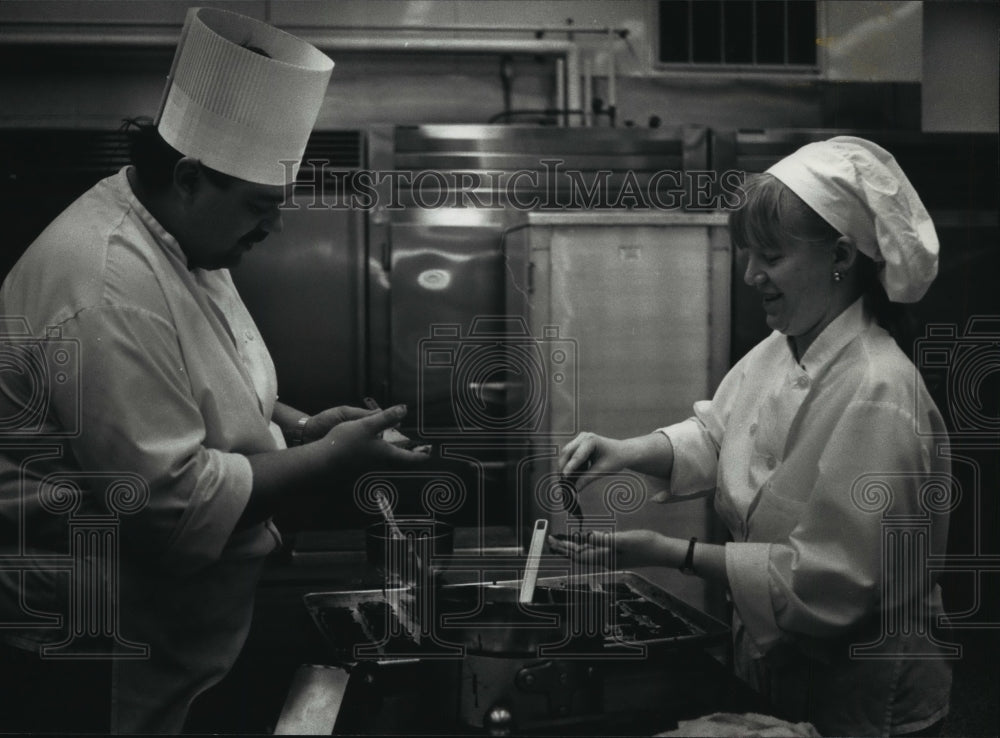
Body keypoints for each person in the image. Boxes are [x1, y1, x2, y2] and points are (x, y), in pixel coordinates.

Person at [0, 8, 428, 733]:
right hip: (98, 642)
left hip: (178, 625)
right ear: (192, 178)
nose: (275, 226)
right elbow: (169, 505)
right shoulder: (106, 284)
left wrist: (296, 425)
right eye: (261, 205)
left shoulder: (185, 238)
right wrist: (327, 459)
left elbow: (210, 376)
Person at [550, 137, 953, 737]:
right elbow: (720, 436)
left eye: (770, 256)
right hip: (781, 659)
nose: (748, 275)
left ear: (840, 255)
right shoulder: (782, 346)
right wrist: (625, 451)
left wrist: (665, 553)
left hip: (863, 688)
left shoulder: (877, 389)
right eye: (746, 254)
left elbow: (827, 584)